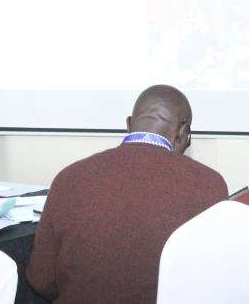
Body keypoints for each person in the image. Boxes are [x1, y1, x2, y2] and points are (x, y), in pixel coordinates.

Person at [27, 85, 227, 304]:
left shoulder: (68, 178)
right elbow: (217, 281)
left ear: (129, 125)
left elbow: (41, 280)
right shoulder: (210, 185)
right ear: (183, 133)